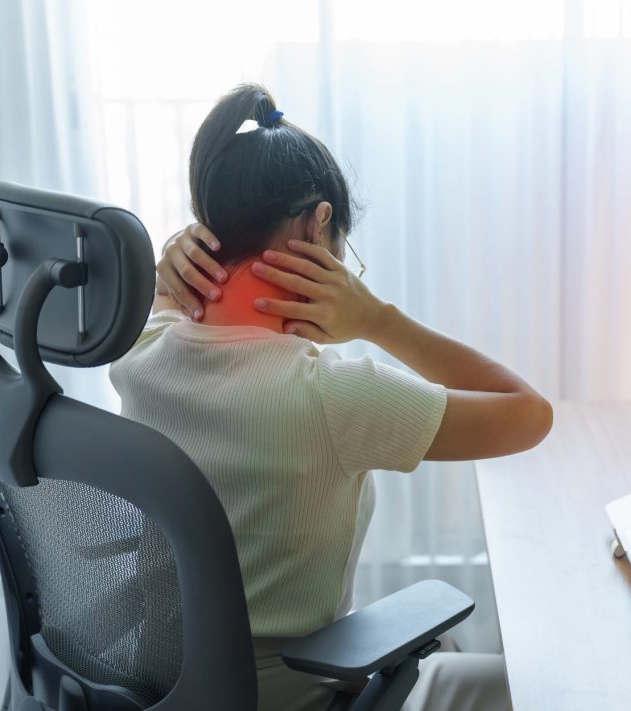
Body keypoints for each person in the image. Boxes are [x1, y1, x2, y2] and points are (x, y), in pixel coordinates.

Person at [110, 83, 552, 711]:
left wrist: (171, 267)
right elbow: (529, 414)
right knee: (533, 684)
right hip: (291, 695)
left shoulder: (140, 353)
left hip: (160, 688)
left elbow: (164, 297)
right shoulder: (334, 397)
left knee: (444, 665)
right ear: (320, 225)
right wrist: (378, 319)